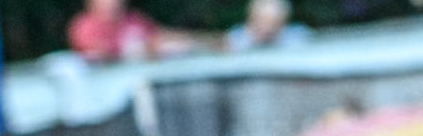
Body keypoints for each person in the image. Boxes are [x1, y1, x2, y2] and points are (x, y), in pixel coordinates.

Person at [67, 0, 197, 62]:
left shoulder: (133, 19)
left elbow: (158, 35)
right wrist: (141, 48)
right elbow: (95, 52)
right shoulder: (84, 25)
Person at [224, 0, 312, 53]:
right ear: (251, 20)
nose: (268, 29)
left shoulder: (295, 38)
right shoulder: (236, 40)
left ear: (283, 23)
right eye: (263, 21)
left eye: (274, 23)